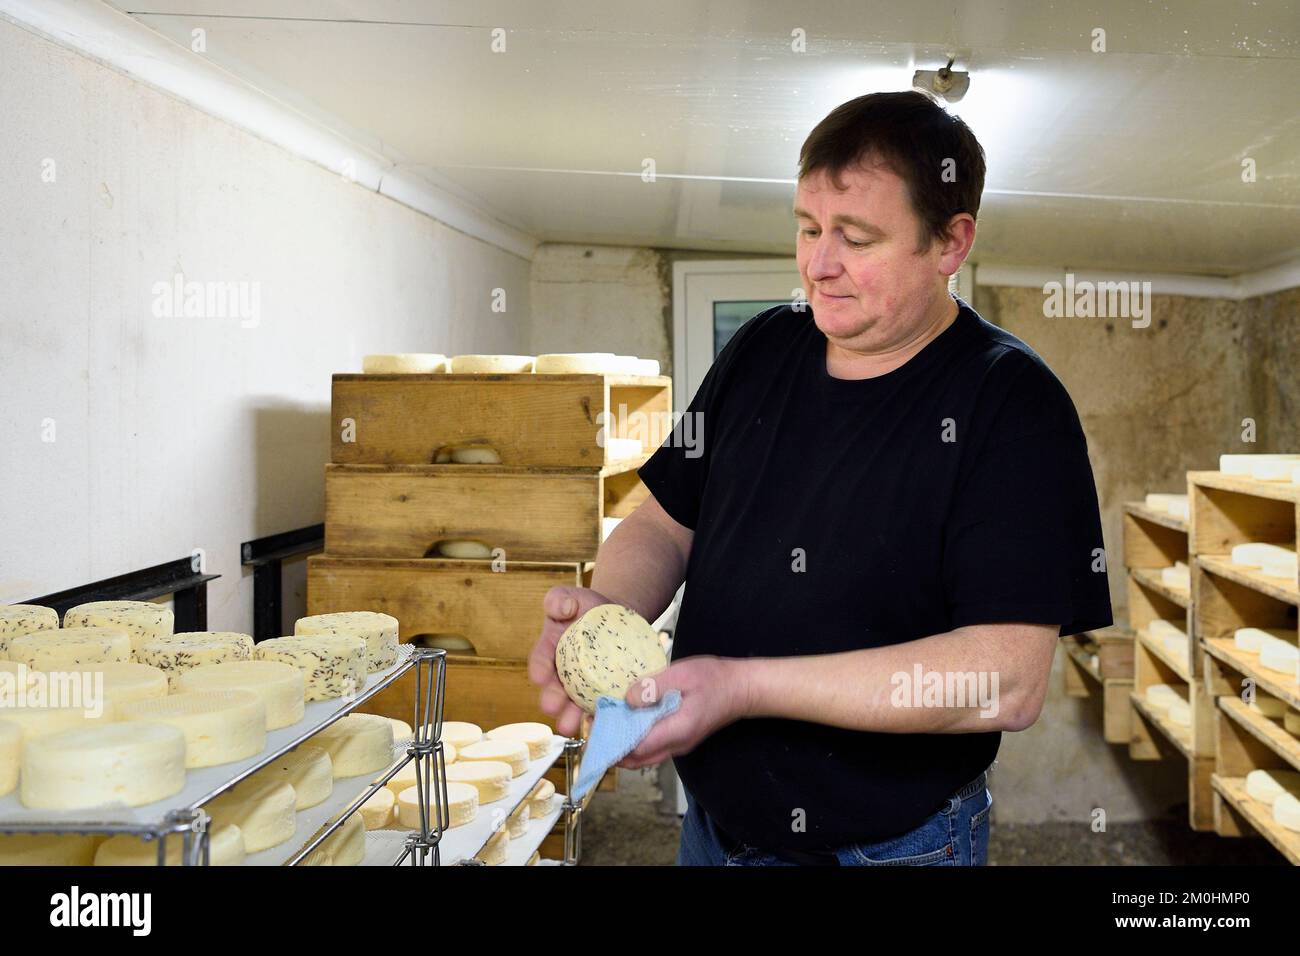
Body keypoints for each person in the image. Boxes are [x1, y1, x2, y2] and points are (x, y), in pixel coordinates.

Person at [529, 90, 1112, 866]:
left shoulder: (1011, 405)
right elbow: (665, 523)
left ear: (950, 243)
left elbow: (1004, 680)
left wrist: (742, 687)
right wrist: (610, 619)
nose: (819, 264)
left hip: (887, 846)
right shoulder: (766, 346)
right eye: (808, 229)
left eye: (857, 238)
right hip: (715, 827)